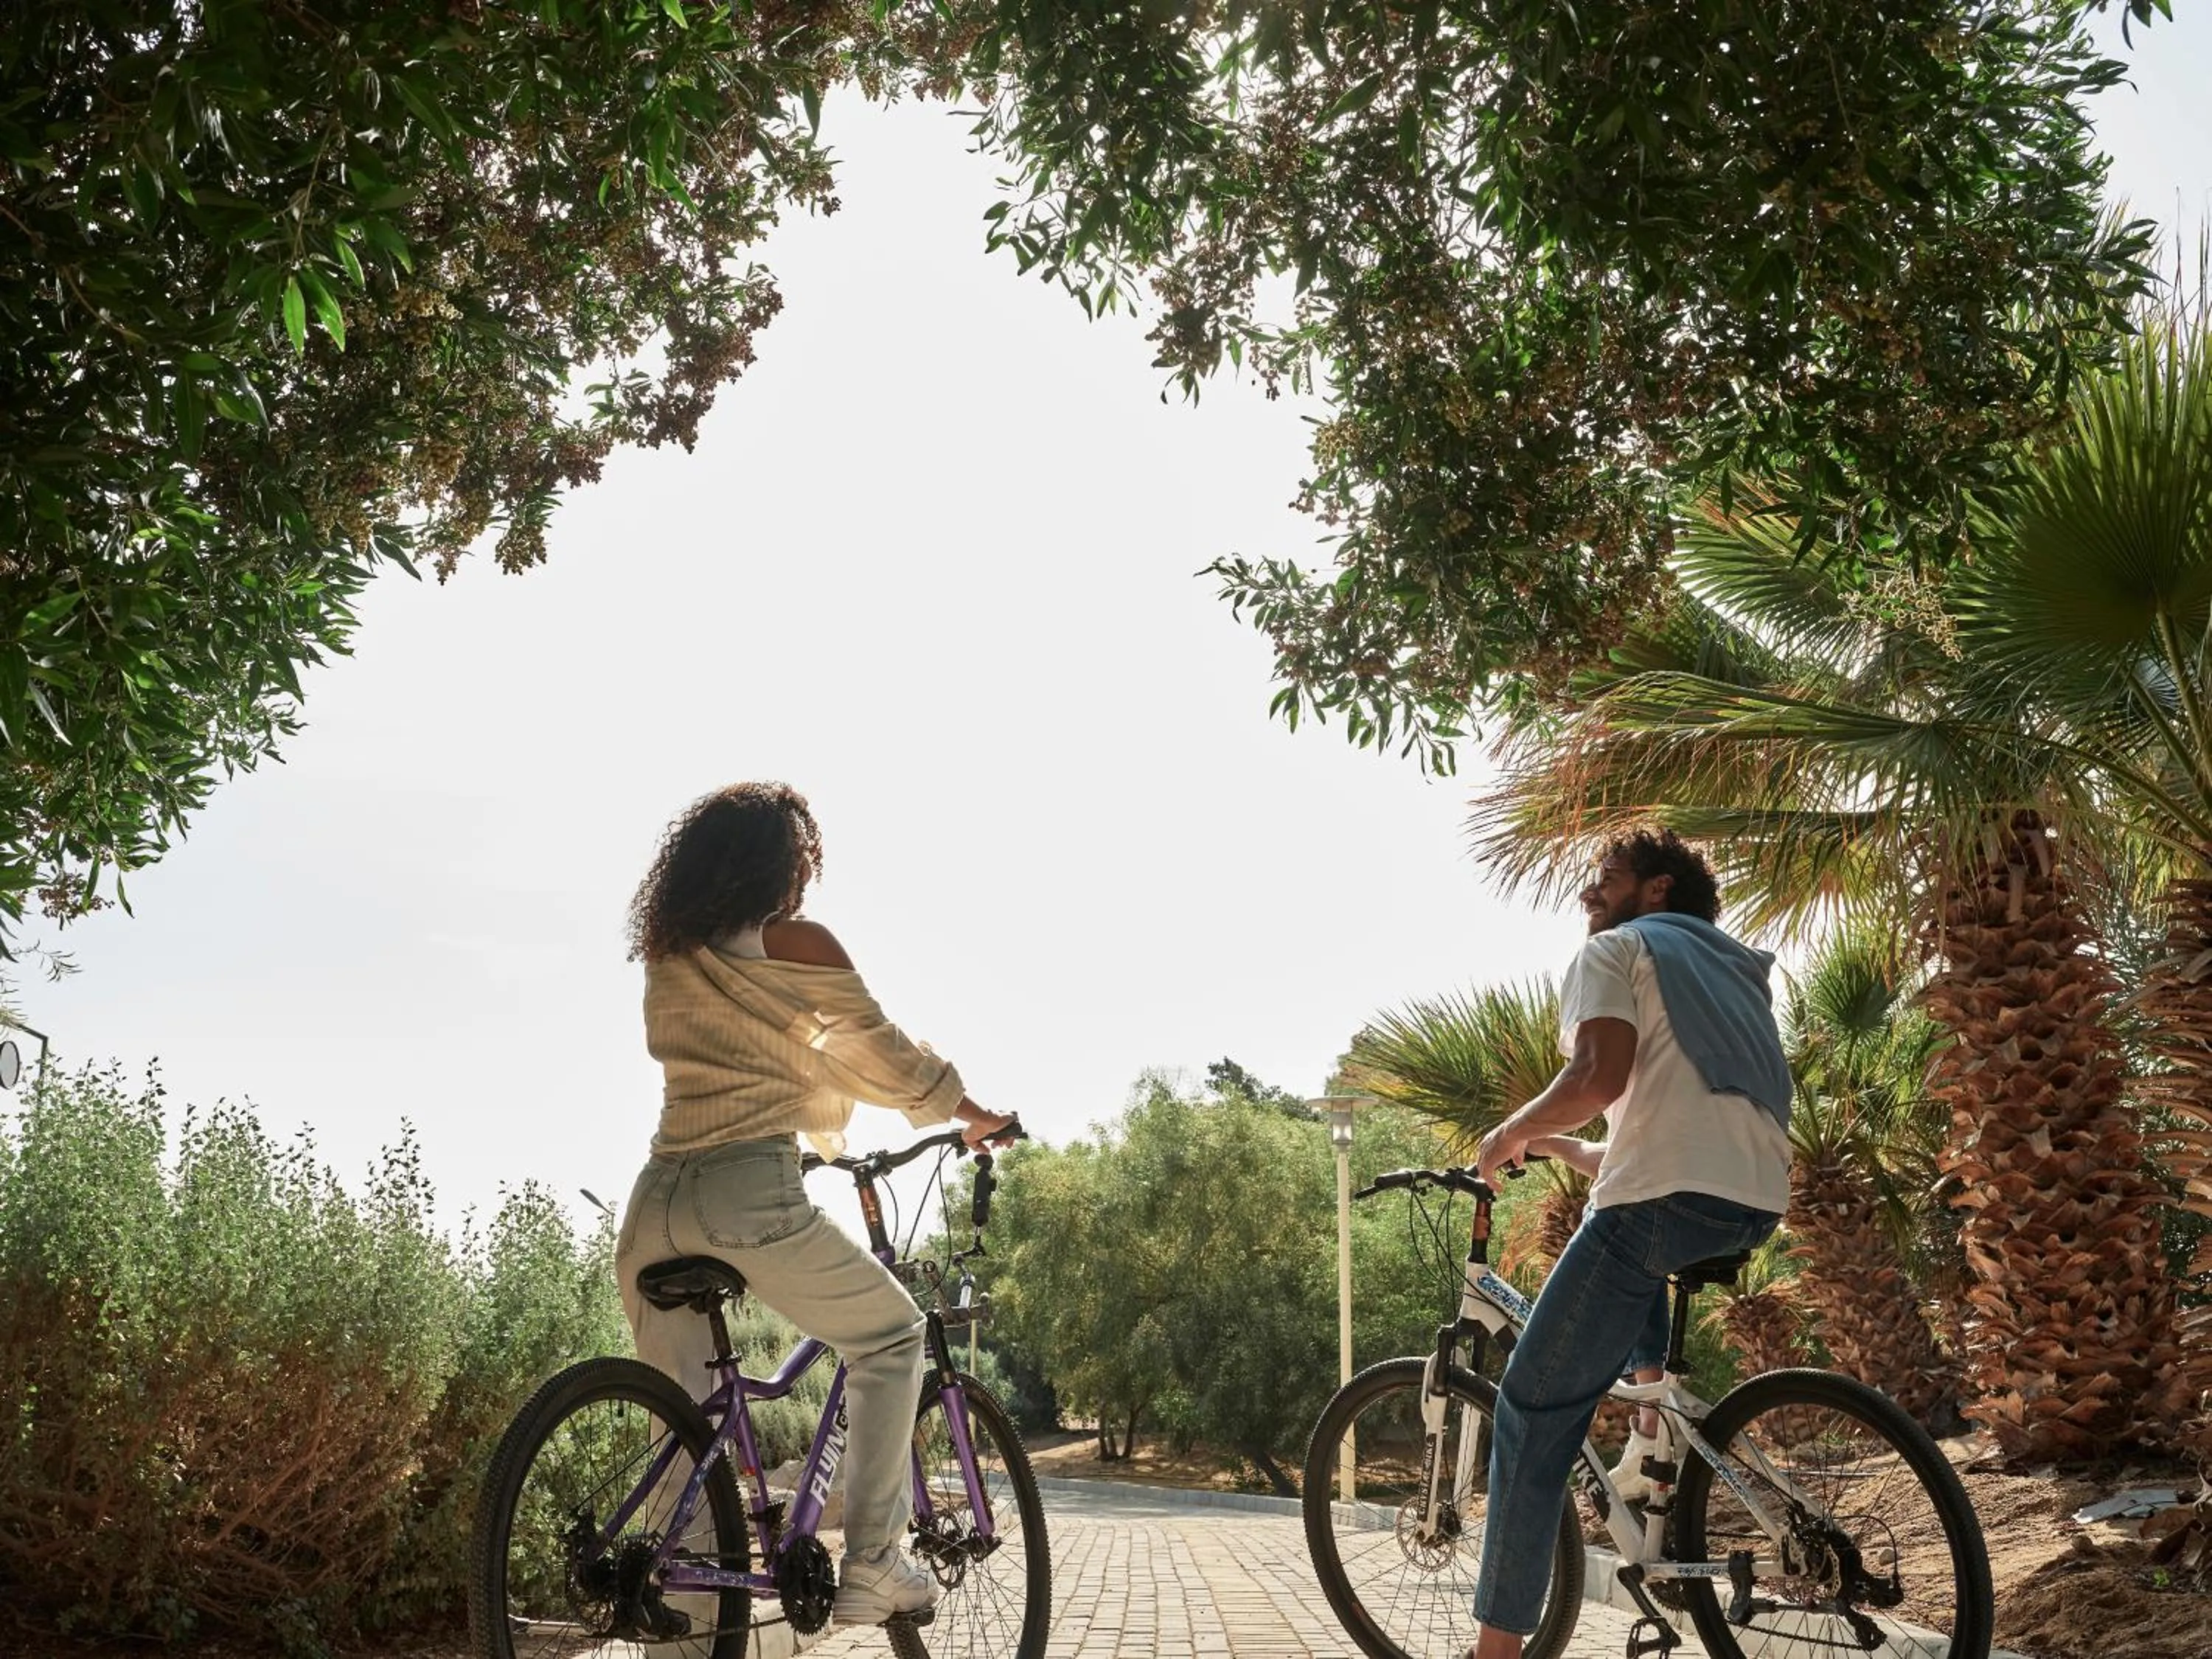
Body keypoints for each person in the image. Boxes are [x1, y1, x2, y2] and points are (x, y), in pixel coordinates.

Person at [614, 781, 1019, 1626]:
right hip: (746, 1191)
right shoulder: (795, 944)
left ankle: (682, 1617)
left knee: (684, 1431)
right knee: (893, 1335)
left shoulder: (669, 955)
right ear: (777, 865)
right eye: (801, 862)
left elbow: (788, 1041)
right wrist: (970, 1113)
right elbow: (877, 1048)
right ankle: (872, 1563)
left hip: (654, 1205)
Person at [1467, 828, 1792, 1659]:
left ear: (1656, 889)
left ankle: (1496, 1651)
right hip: (1752, 1200)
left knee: (1531, 1406)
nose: (1588, 895)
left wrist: (1508, 1133)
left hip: (1660, 1201)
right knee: (1622, 1229)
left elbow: (1596, 1078)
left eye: (1605, 879)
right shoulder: (1731, 970)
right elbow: (1665, 1129)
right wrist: (1562, 1146)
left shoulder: (1618, 948)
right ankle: (1653, 1418)